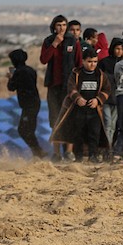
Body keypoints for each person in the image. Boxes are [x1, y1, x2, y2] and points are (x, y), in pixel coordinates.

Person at [50, 50, 111, 162]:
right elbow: (71, 88)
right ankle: (78, 157)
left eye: (95, 61)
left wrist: (98, 100)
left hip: (94, 111)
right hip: (78, 110)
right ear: (83, 61)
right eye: (89, 61)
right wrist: (78, 98)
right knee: (78, 135)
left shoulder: (101, 75)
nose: (92, 64)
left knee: (94, 134)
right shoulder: (76, 74)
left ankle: (93, 156)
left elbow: (107, 90)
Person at [40, 15, 82, 161]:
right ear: (54, 27)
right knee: (55, 119)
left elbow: (79, 64)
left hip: (69, 87)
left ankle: (69, 152)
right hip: (53, 85)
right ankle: (56, 153)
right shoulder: (48, 41)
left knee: (70, 117)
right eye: (59, 25)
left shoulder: (73, 41)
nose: (62, 28)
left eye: (64, 25)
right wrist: (54, 44)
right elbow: (43, 59)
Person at [7, 48, 45, 158]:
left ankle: (38, 151)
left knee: (23, 130)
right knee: (29, 130)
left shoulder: (19, 72)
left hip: (29, 105)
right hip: (34, 102)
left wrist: (11, 77)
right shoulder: (31, 70)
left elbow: (11, 87)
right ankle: (37, 153)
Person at [99, 38, 123, 148]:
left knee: (113, 125)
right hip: (106, 98)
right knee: (107, 123)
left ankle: (110, 147)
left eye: (121, 49)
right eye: (117, 48)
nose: (119, 51)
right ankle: (107, 147)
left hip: (118, 98)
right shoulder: (104, 62)